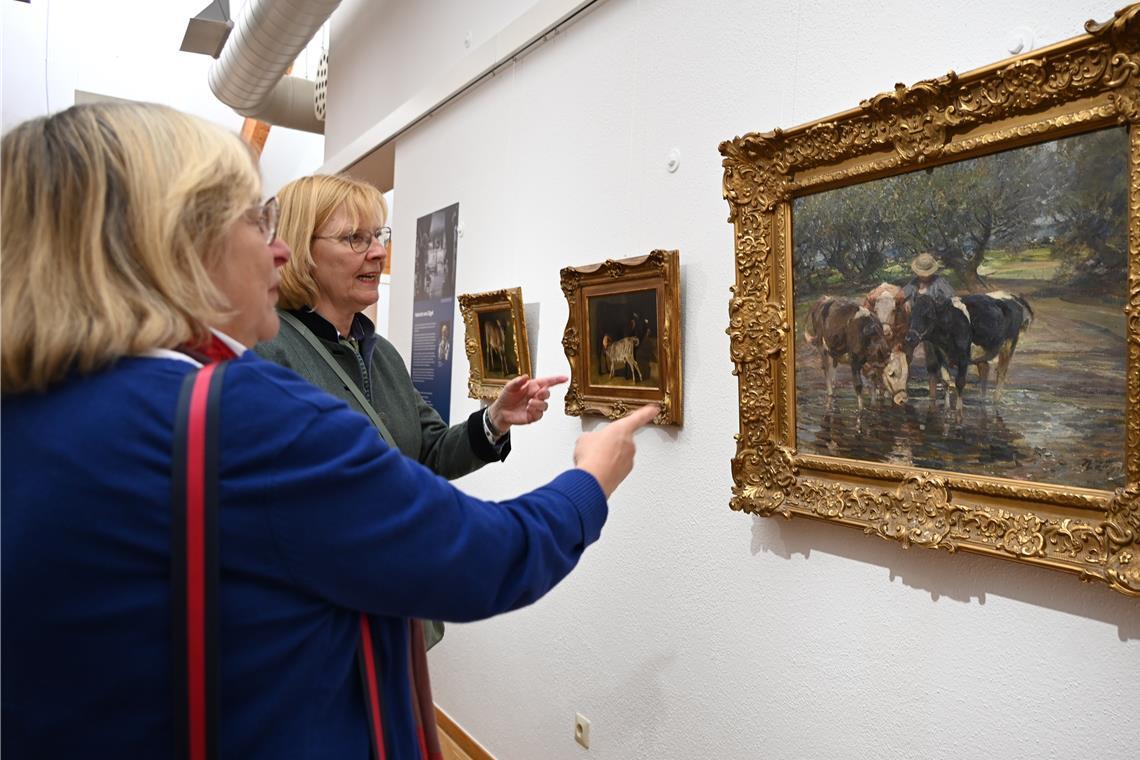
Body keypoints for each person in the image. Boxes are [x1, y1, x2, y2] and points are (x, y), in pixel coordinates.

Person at [0, 102, 658, 759]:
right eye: (256, 221)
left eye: (380, 236)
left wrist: (490, 422)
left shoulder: (41, 405)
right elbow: (479, 557)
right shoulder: (244, 399)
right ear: (169, 240)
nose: (277, 249)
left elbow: (420, 452)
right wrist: (589, 479)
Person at [254, 174, 564, 649]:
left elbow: (431, 453)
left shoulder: (383, 355)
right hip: (328, 629)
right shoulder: (269, 352)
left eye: (378, 236)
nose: (377, 252)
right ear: (301, 250)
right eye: (355, 238)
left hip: (398, 612)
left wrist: (495, 419)